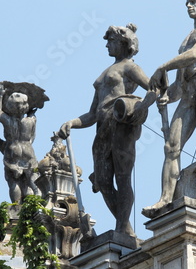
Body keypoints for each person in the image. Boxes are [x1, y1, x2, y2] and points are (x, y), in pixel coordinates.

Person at [59, 23, 155, 238]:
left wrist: (140, 107)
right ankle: (125, 225)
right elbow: (92, 114)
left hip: (121, 123)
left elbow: (154, 88)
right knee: (102, 180)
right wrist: (72, 122)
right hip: (102, 127)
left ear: (124, 43)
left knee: (122, 178)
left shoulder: (130, 67)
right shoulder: (104, 74)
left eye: (111, 40)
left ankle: (122, 228)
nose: (107, 45)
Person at [142, 0, 196, 218]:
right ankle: (165, 199)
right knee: (171, 146)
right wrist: (168, 95)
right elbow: (179, 83)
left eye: (194, 1)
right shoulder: (184, 40)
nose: (189, 5)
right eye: (188, 2)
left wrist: (163, 66)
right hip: (188, 91)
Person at [0, 83, 41, 203]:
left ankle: (16, 206)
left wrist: (0, 95)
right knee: (32, 181)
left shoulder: (8, 120)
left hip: (13, 151)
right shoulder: (31, 120)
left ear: (9, 107)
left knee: (14, 182)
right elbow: (33, 137)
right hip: (28, 151)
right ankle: (34, 203)